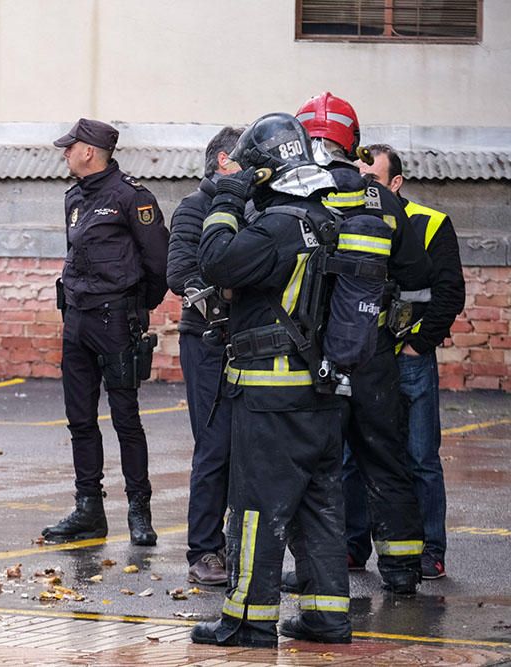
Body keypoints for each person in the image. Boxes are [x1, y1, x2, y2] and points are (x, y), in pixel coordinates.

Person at [190, 113, 355, 648]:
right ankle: (326, 616)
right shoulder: (329, 219)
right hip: (325, 395)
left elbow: (214, 262)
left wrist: (225, 200)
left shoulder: (276, 228)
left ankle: (248, 621)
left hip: (271, 396)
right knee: (321, 507)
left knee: (256, 510)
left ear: (262, 172)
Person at [293, 92, 432, 595]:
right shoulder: (388, 201)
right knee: (386, 458)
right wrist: (396, 333)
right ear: (352, 139)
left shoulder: (300, 194)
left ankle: (321, 575)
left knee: (315, 464)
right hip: (375, 351)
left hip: (312, 352)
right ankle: (402, 570)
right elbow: (416, 282)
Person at [41, 118, 168, 547]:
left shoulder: (133, 198)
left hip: (116, 320)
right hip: (77, 318)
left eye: (69, 147)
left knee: (126, 418)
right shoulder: (74, 197)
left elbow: (158, 264)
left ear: (89, 151)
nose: (64, 153)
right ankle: (88, 509)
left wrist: (135, 307)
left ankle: (139, 509)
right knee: (80, 419)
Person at [358, 143, 466, 579]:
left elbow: (448, 295)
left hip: (407, 356)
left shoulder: (430, 223)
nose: (365, 189)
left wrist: (417, 345)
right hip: (363, 357)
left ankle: (430, 551)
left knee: (420, 455)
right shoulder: (351, 216)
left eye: (373, 182)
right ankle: (352, 548)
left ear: (396, 183)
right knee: (352, 457)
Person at [166, 126, 243, 585]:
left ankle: (237, 545)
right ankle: (204, 551)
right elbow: (180, 274)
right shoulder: (195, 208)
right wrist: (231, 294)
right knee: (214, 446)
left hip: (249, 343)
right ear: (223, 161)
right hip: (208, 341)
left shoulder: (251, 208)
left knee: (249, 448)